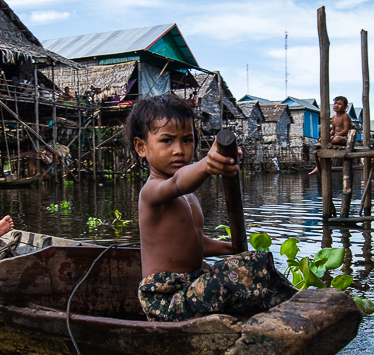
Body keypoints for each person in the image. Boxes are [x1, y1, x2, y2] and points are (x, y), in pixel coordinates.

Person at [124, 94, 297, 322]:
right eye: (167, 141)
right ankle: (293, 308)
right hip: (166, 299)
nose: (179, 150)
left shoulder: (190, 193)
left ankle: (295, 303)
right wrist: (208, 163)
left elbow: (194, 242)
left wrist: (232, 248)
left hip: (191, 284)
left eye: (187, 140)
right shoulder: (152, 192)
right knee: (247, 268)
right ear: (141, 147)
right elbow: (178, 181)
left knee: (256, 260)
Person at [309, 96, 353, 174]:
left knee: (337, 139)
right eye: (335, 103)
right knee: (319, 144)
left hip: (344, 138)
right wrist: (326, 137)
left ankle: (319, 166)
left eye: (339, 104)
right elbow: (332, 130)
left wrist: (334, 136)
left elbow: (346, 130)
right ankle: (318, 166)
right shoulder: (333, 117)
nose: (336, 105)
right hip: (334, 137)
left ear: (345, 107)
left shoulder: (345, 116)